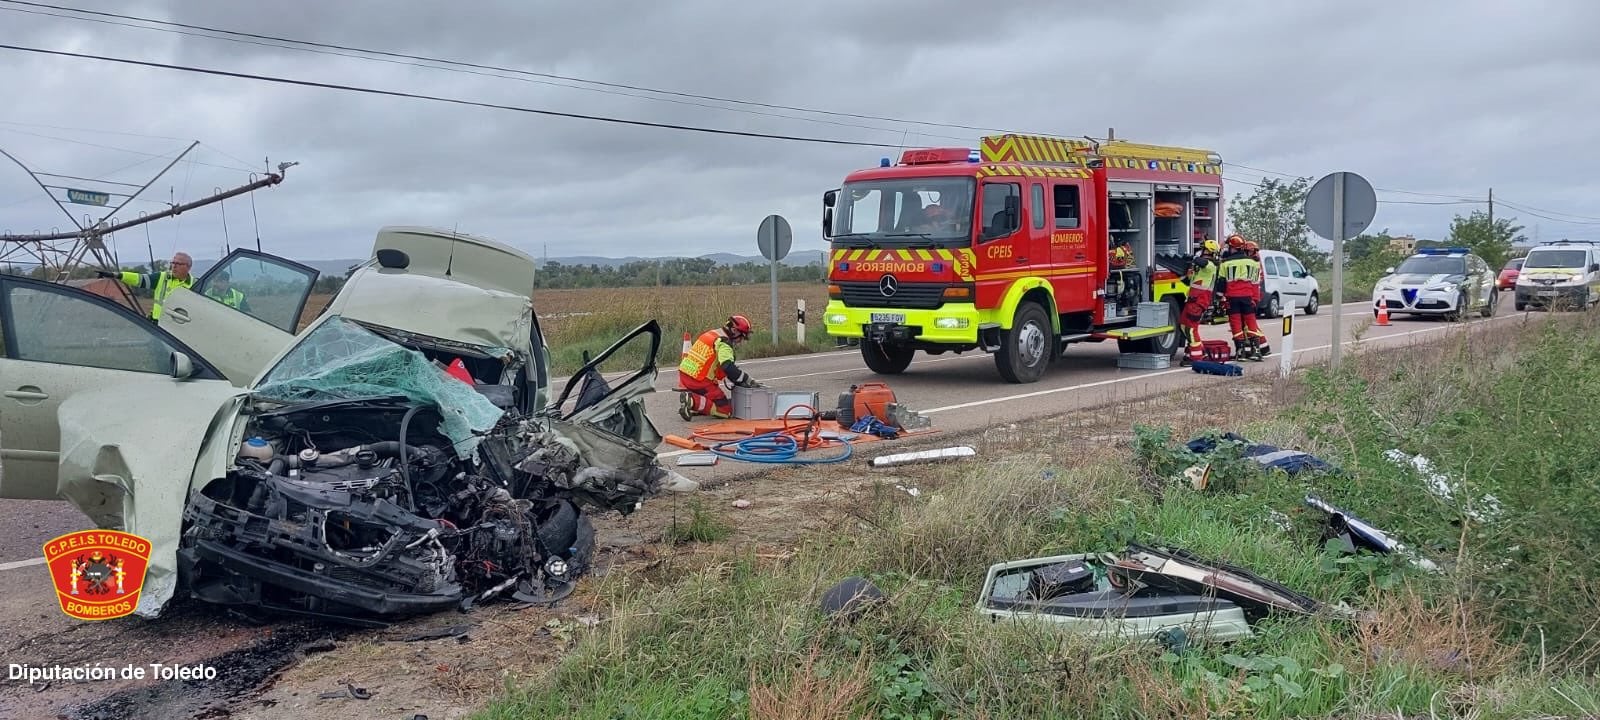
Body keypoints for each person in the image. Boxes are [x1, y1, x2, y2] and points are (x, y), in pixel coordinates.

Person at [677, 315, 758, 421]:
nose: (741, 341)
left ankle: (699, 405)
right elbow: (727, 366)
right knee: (725, 410)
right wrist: (746, 379)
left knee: (713, 395)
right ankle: (692, 401)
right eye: (742, 337)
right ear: (734, 331)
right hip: (699, 380)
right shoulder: (724, 343)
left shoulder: (712, 333)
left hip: (685, 374)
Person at [96, 251, 194, 322]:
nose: (174, 266)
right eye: (173, 263)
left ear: (188, 267)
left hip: (179, 328)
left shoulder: (194, 284)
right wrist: (117, 275)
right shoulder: (162, 277)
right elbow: (139, 279)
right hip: (158, 325)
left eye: (178, 263)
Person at [1218, 235, 1269, 359]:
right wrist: (1254, 299)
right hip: (1248, 297)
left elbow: (1221, 284)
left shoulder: (1225, 264)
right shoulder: (1254, 263)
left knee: (1236, 324)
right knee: (1251, 323)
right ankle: (1256, 351)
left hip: (1232, 298)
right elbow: (1255, 282)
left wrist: (1220, 299)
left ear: (1232, 248)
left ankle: (1240, 352)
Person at [1179, 238, 1221, 365]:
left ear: (1208, 251)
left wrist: (1192, 257)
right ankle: (1194, 353)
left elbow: (1202, 262)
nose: (1201, 251)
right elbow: (1189, 281)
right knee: (1183, 325)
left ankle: (1197, 358)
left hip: (1199, 301)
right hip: (1192, 300)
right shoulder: (1201, 268)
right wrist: (1183, 274)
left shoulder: (1211, 265)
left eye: (1203, 249)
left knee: (1191, 329)